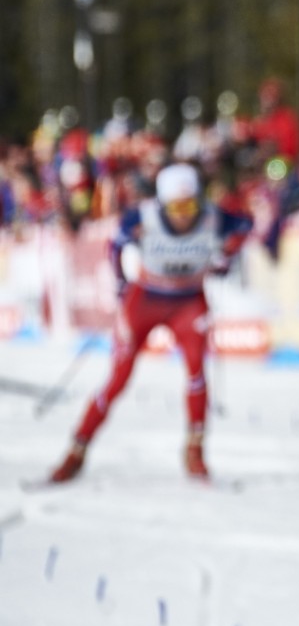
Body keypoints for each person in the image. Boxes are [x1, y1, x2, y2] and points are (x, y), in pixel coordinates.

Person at [48, 163, 252, 483]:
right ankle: (77, 448)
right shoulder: (143, 217)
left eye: (191, 205)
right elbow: (114, 245)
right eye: (176, 207)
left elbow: (245, 225)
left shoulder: (213, 216)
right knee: (118, 378)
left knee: (198, 371)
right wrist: (120, 285)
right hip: (146, 300)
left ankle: (195, 450)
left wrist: (226, 256)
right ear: (162, 204)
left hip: (188, 300)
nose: (185, 215)